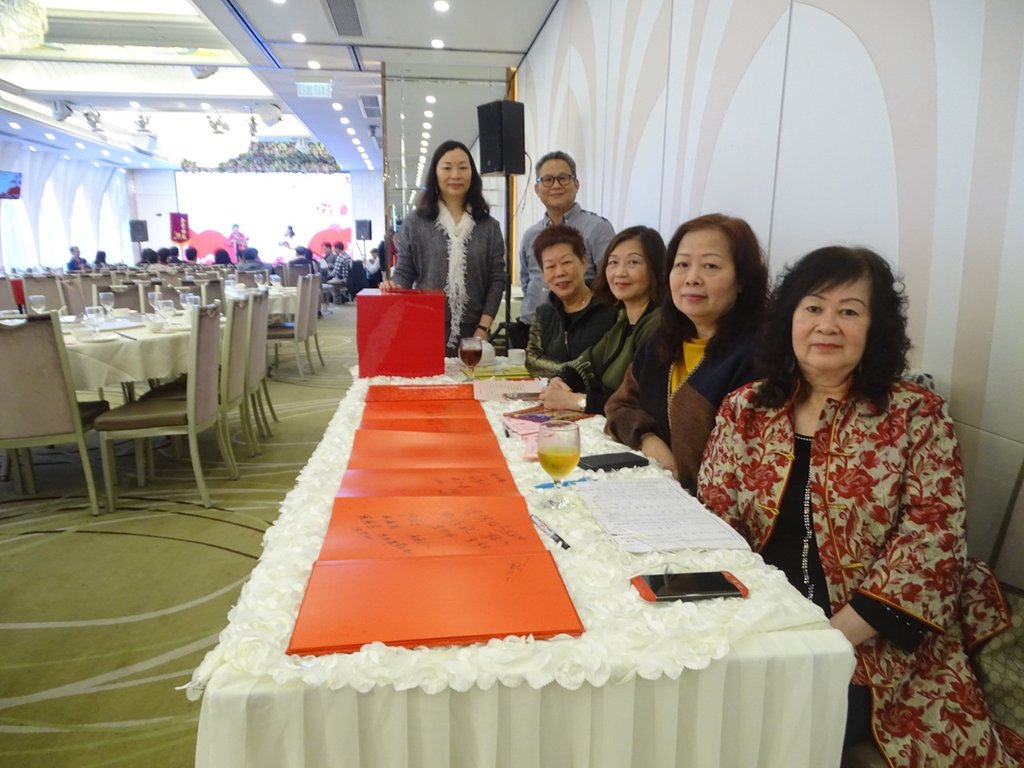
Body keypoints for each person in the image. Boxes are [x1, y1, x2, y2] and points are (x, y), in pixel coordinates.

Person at [697, 246, 1020, 767]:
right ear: (789, 318)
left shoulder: (915, 416)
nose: (827, 325)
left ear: (876, 328)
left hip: (871, 645)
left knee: (764, 724)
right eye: (813, 307)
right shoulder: (747, 408)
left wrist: (825, 642)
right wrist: (748, 626)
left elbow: (931, 543)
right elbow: (714, 518)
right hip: (757, 623)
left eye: (849, 311)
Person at [604, 213, 768, 492]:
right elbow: (618, 407)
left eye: (710, 266)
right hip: (657, 495)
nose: (692, 278)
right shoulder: (661, 342)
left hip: (713, 511)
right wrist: (647, 438)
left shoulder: (757, 358)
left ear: (741, 279)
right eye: (682, 264)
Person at [383, 139, 506, 355]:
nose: (455, 175)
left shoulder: (489, 226)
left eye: (463, 167)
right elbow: (405, 271)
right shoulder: (415, 222)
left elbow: (497, 279)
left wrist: (484, 327)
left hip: (475, 330)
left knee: (471, 378)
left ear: (472, 173)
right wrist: (393, 286)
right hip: (426, 326)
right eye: (447, 168)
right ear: (435, 173)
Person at [539, 225, 665, 414]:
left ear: (655, 267)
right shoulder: (624, 323)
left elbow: (643, 404)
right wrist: (560, 381)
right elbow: (587, 361)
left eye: (633, 262)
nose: (620, 272)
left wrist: (579, 401)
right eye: (613, 262)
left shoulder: (658, 326)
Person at [514, 151, 615, 348]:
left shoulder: (598, 228)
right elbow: (527, 281)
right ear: (537, 189)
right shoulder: (530, 235)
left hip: (580, 329)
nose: (556, 185)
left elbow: (608, 281)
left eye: (563, 178)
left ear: (576, 184)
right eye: (548, 180)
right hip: (530, 327)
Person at [525, 224, 617, 378]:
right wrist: (571, 370)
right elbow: (532, 360)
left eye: (566, 262)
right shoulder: (544, 313)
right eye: (550, 266)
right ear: (543, 274)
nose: (560, 272)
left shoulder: (609, 307)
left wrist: (569, 374)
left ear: (584, 263)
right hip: (554, 392)